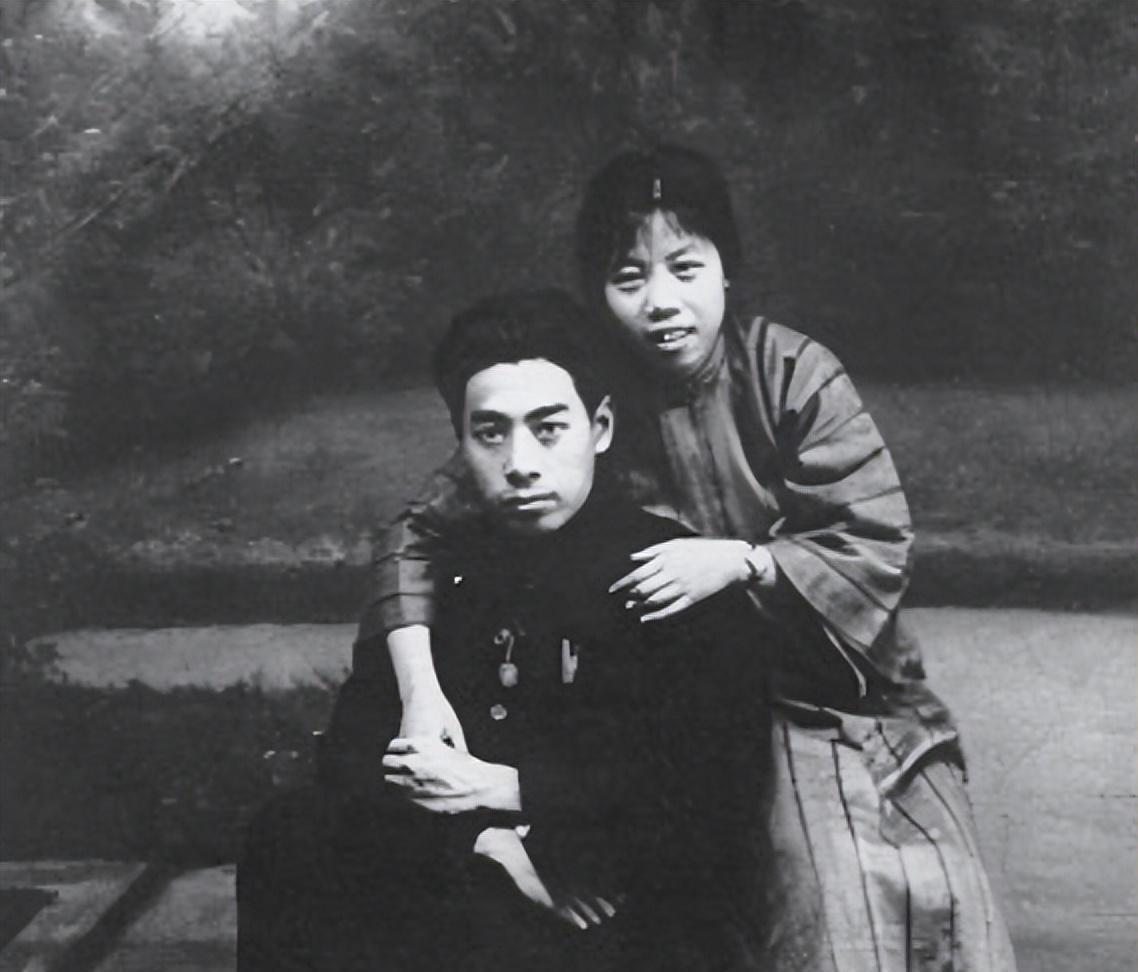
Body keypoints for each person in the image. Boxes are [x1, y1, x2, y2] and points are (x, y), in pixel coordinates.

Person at [364, 145, 1018, 972]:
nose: (661, 302)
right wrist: (420, 692)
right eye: (628, 278)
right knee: (826, 898)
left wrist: (745, 562)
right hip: (715, 705)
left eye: (685, 267)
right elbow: (418, 533)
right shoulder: (585, 405)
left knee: (945, 884)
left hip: (854, 684)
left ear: (727, 271)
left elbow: (872, 539)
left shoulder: (792, 374)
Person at [237, 289, 772, 972]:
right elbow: (353, 751)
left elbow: (712, 808)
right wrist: (485, 843)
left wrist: (506, 790)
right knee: (289, 834)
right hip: (475, 874)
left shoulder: (674, 576)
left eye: (548, 428)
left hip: (624, 905)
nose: (520, 462)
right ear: (461, 441)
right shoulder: (442, 572)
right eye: (491, 432)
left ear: (600, 428)